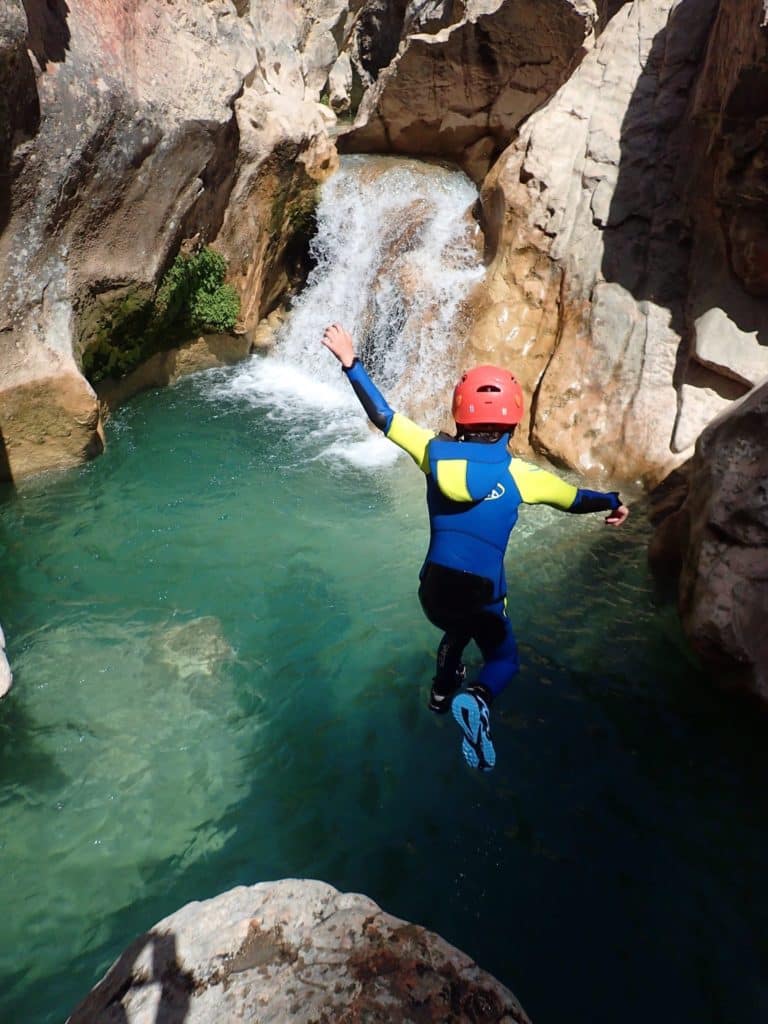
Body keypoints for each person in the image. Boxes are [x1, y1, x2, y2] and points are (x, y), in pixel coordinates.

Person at [321, 323, 629, 772]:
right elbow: (575, 500)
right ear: (513, 419)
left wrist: (350, 362)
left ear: (460, 414)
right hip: (481, 593)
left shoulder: (431, 451)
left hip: (433, 592)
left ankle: (442, 691)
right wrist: (612, 501)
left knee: (455, 624)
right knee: (503, 656)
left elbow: (383, 416)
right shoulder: (522, 476)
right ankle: (478, 699)